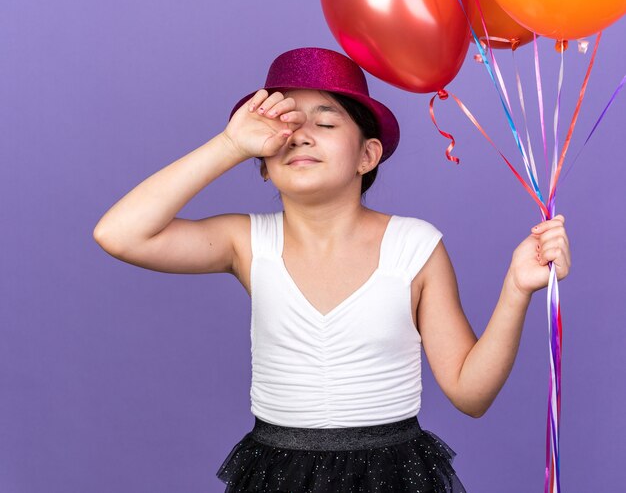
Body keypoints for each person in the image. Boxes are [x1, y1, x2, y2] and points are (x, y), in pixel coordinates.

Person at [93, 47, 571, 492]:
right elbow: (120, 234)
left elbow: (471, 393)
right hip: (275, 471)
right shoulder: (246, 241)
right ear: (263, 164)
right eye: (283, 125)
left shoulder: (414, 245)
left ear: (368, 155)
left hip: (394, 471)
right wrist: (229, 143)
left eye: (326, 123)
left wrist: (515, 288)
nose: (299, 134)